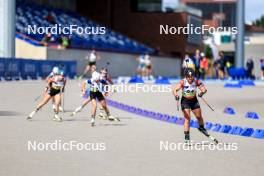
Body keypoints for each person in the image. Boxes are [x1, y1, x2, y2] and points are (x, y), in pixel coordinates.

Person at [173, 68, 218, 144]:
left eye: (191, 76)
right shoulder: (183, 82)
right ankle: (187, 138)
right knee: (187, 118)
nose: (190, 78)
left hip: (194, 101)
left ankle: (201, 128)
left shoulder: (196, 81)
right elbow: (174, 90)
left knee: (199, 117)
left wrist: (202, 93)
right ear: (186, 76)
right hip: (185, 101)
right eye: (188, 77)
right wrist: (176, 95)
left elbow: (204, 89)